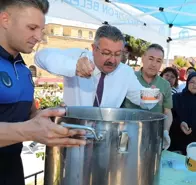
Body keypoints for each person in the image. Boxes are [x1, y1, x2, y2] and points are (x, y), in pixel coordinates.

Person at [0, 1, 85, 185]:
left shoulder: (22, 68)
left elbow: (28, 115)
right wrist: (27, 131)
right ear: (5, 19)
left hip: (13, 171)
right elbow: (26, 128)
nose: (39, 37)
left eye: (41, 29)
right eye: (32, 28)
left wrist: (52, 118)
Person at [35, 24, 145, 108]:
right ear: (93, 48)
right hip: (73, 130)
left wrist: (154, 96)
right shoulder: (78, 56)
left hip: (106, 133)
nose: (112, 60)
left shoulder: (125, 72)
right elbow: (40, 57)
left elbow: (140, 98)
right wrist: (74, 66)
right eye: (106, 53)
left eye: (117, 54)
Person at [122, 44, 173, 150]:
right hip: (126, 133)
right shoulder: (129, 77)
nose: (154, 64)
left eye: (158, 61)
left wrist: (165, 131)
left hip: (152, 135)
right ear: (143, 58)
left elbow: (167, 111)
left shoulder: (165, 85)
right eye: (151, 59)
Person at [168, 72, 196, 155]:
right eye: (192, 82)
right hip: (175, 144)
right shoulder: (176, 98)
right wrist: (180, 123)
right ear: (187, 83)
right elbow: (169, 116)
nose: (194, 85)